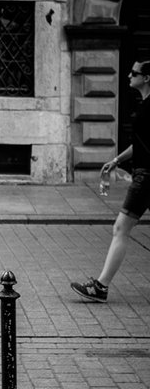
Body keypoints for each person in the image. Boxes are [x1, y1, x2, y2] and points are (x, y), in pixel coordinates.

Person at [71, 59, 150, 303]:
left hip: (146, 176)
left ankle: (101, 287)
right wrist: (116, 160)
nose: (128, 76)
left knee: (120, 228)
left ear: (146, 78)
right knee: (121, 229)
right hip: (144, 174)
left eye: (134, 73)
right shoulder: (145, 104)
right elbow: (140, 144)